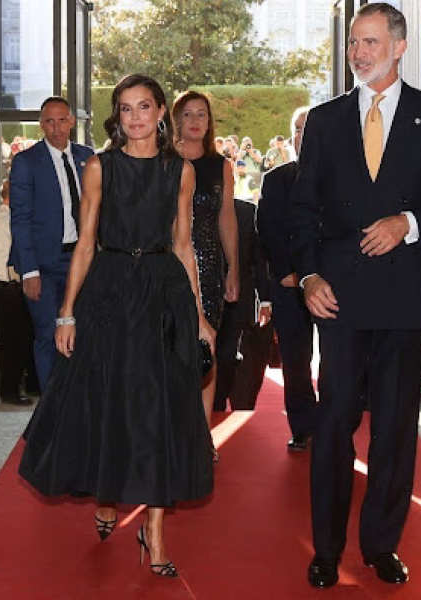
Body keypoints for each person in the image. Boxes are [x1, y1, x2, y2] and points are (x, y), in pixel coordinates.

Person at [291, 3, 421, 588]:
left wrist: (409, 222)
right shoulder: (323, 122)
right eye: (354, 43)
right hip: (339, 300)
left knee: (395, 431)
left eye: (371, 42)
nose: (359, 53)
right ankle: (325, 549)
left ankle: (380, 546)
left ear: (400, 47)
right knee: (334, 427)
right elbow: (302, 212)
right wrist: (309, 278)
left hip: (401, 301)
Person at [19, 74, 215, 579]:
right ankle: (107, 494)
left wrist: (197, 315)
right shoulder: (99, 167)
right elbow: (84, 244)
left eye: (144, 106)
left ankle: (154, 531)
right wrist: (66, 312)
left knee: (157, 408)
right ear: (117, 116)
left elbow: (184, 244)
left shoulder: (181, 171)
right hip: (108, 290)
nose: (135, 117)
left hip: (161, 291)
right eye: (126, 108)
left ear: (161, 111)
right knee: (109, 399)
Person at [172, 90, 239, 461]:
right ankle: (169, 434)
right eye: (188, 114)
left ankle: (201, 436)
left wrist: (233, 269)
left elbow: (226, 219)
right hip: (167, 266)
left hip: (210, 265)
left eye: (202, 114)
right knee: (166, 353)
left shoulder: (220, 166)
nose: (196, 121)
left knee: (205, 352)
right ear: (177, 120)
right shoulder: (161, 161)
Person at [9, 97, 94, 387]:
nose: (56, 128)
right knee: (47, 334)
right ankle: (51, 411)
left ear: (72, 121)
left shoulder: (88, 157)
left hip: (81, 261)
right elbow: (19, 219)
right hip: (43, 266)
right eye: (49, 121)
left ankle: (76, 408)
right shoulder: (26, 162)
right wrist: (29, 271)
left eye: (62, 120)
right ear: (41, 124)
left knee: (81, 335)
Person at [256, 105, 317, 451]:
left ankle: (335, 424)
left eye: (308, 128)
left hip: (332, 283)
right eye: (296, 128)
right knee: (296, 360)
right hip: (289, 285)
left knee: (342, 361)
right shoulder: (276, 179)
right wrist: (289, 273)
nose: (302, 135)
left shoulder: (339, 178)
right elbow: (268, 231)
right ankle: (304, 426)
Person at [214, 181, 272, 411]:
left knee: (229, 354)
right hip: (203, 297)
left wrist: (265, 300)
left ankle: (222, 401)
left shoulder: (247, 212)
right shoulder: (191, 210)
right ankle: (215, 404)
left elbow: (259, 259)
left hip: (240, 297)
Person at [0, 178, 39, 406]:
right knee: (11, 343)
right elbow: (0, 264)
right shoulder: (2, 222)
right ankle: (9, 391)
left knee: (22, 339)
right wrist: (15, 282)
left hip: (11, 288)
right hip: (7, 289)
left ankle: (25, 385)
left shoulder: (9, 220)